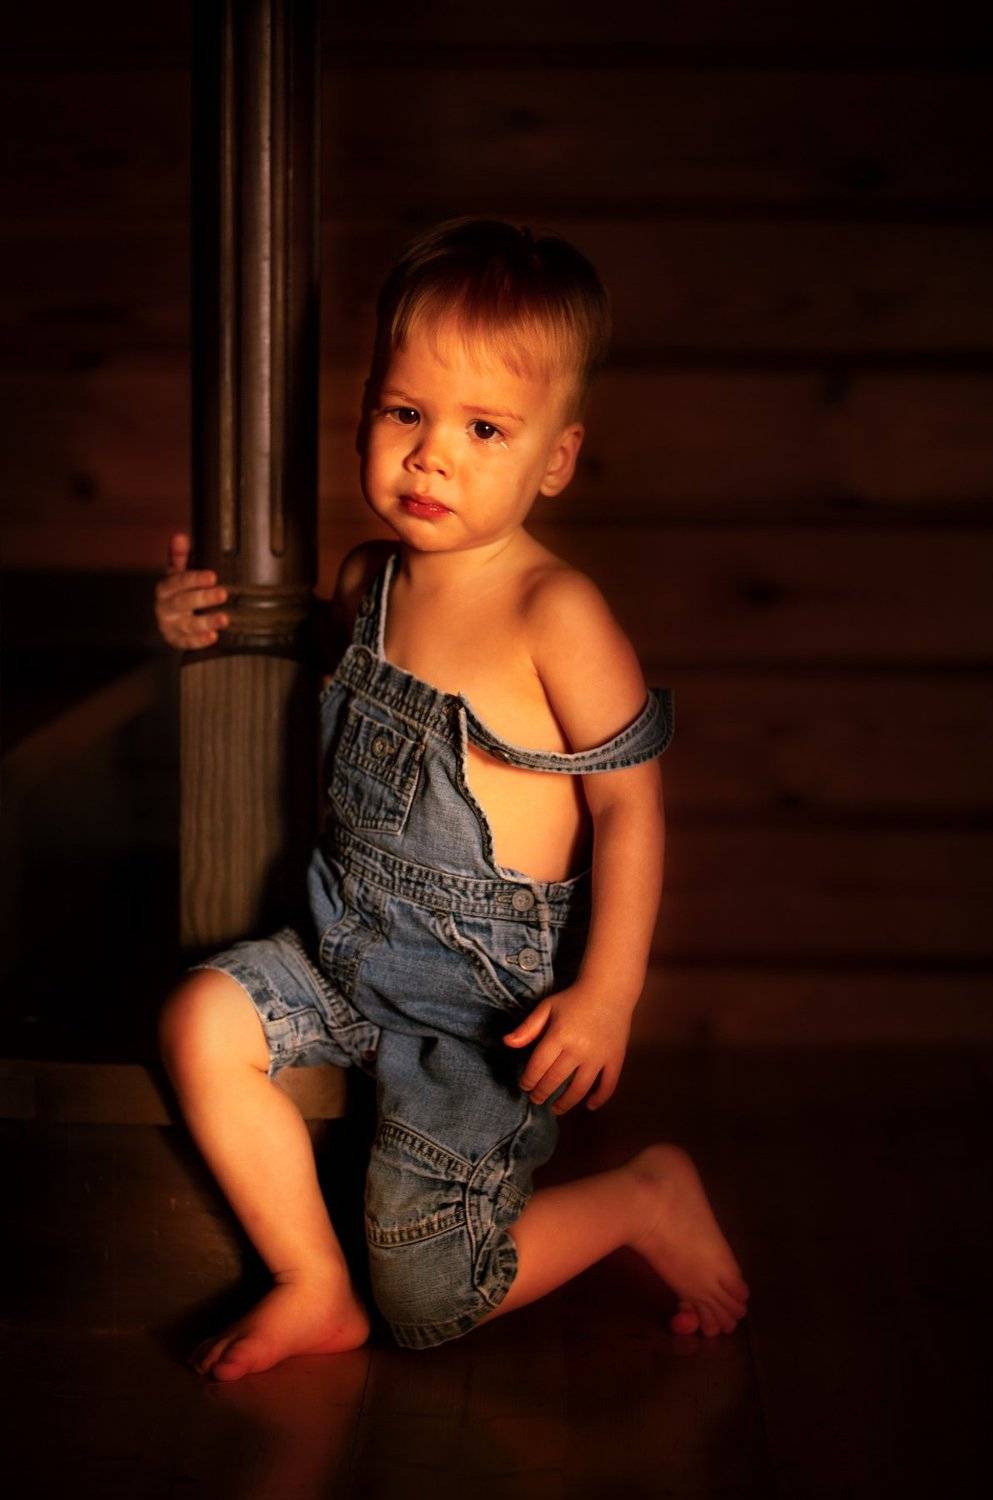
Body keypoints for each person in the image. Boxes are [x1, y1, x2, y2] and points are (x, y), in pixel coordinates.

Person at [155, 217, 749, 1380]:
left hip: (475, 1012)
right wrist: (196, 620)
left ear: (555, 459)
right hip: (338, 947)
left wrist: (607, 992)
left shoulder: (554, 613)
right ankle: (312, 1282)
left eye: (483, 429)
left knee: (429, 1295)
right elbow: (282, 650)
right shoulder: (366, 581)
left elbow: (630, 809)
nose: (431, 457)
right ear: (364, 411)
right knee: (199, 1022)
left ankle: (641, 1197)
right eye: (403, 414)